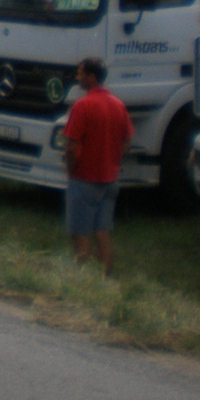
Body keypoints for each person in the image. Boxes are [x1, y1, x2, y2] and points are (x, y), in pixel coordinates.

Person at [62, 57, 133, 275]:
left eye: (81, 73)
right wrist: (114, 161)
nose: (77, 77)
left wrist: (71, 169)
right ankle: (107, 276)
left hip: (84, 178)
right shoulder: (118, 105)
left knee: (80, 232)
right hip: (109, 179)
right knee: (102, 231)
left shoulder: (83, 105)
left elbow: (71, 145)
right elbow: (126, 140)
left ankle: (83, 279)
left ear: (91, 77)